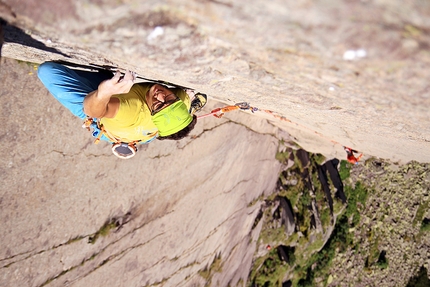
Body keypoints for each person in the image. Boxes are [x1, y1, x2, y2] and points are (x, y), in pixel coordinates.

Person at [37, 61, 207, 158]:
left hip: (104, 121)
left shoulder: (129, 111)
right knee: (168, 123)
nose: (161, 95)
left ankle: (104, 83)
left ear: (153, 113)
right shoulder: (181, 99)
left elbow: (94, 111)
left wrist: (104, 93)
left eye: (158, 105)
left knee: (47, 71)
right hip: (146, 135)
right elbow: (176, 104)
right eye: (169, 99)